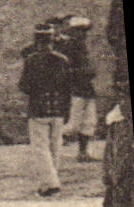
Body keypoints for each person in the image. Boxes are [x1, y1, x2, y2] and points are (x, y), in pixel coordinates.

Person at [18, 23, 73, 197]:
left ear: (36, 41)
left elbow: (24, 86)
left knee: (40, 148)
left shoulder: (31, 61)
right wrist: (67, 110)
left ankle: (50, 183)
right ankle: (48, 182)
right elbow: (68, 88)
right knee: (55, 146)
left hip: (38, 109)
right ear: (52, 41)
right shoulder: (63, 60)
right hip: (58, 108)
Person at [59, 16, 99, 162]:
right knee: (73, 125)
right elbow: (63, 70)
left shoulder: (82, 47)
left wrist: (89, 72)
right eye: (80, 31)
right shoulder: (67, 48)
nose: (84, 34)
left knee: (89, 122)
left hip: (86, 88)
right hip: (75, 89)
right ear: (73, 31)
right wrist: (83, 72)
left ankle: (83, 153)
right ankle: (51, 142)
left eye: (85, 31)